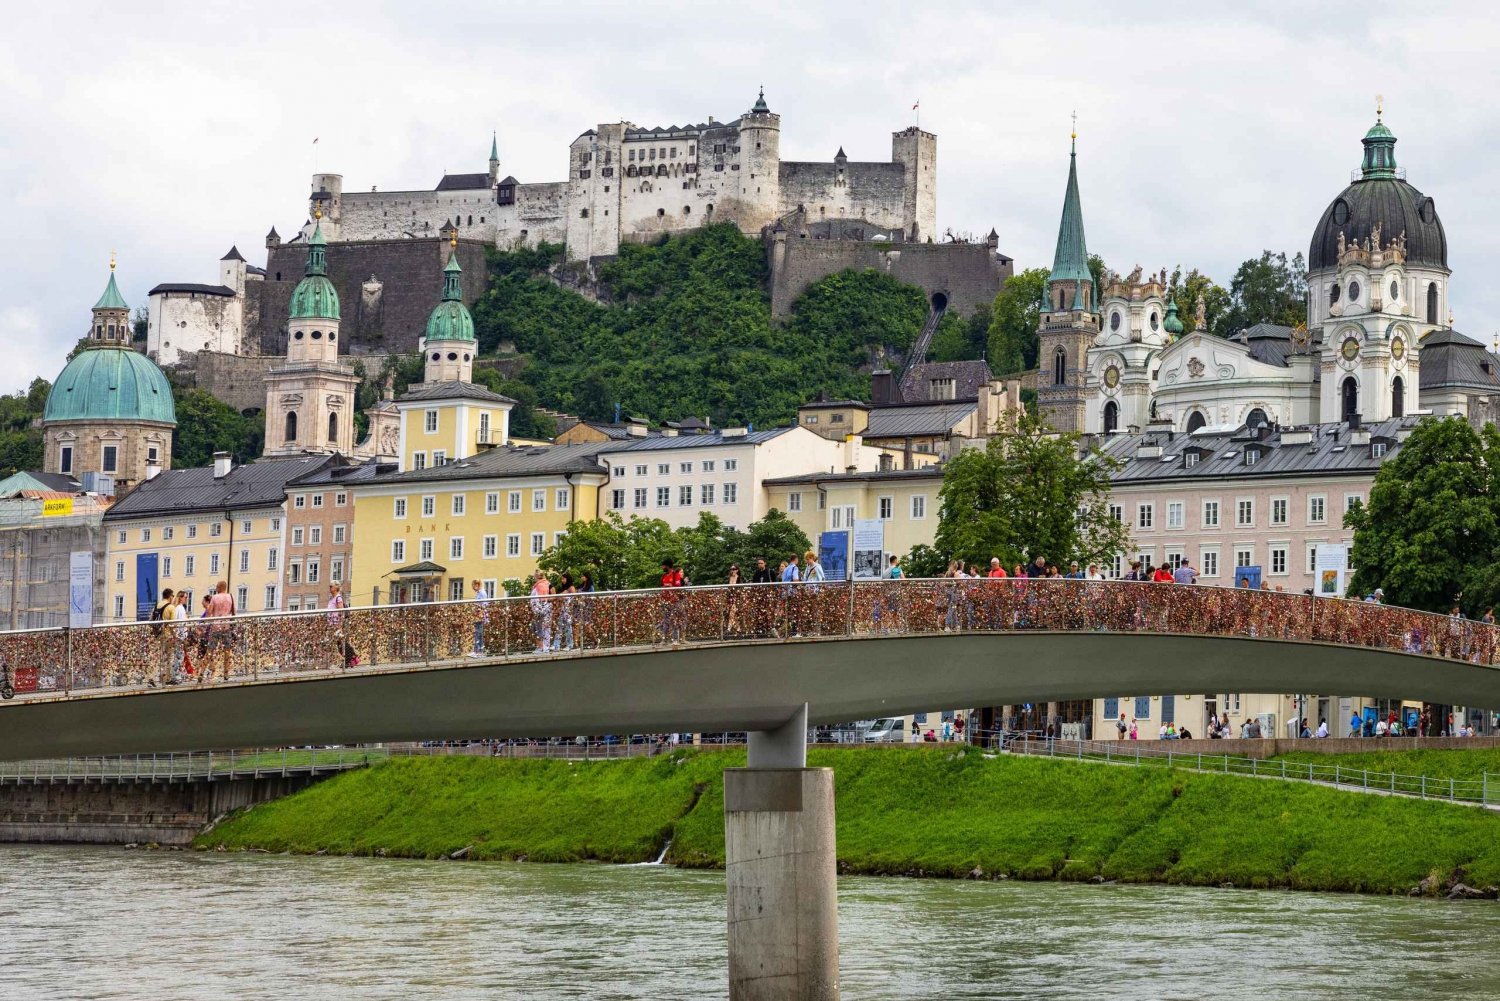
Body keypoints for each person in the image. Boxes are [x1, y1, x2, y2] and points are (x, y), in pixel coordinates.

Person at [202, 581, 236, 684]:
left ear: (220, 587)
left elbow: (209, 612)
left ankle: (201, 673)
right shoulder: (230, 597)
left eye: (217, 586)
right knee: (227, 651)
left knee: (210, 650)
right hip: (226, 626)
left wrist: (206, 607)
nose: (216, 587)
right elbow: (233, 611)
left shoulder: (215, 598)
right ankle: (226, 674)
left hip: (216, 627)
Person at [328, 583, 358, 669]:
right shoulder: (332, 599)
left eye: (331, 586)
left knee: (341, 642)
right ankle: (350, 659)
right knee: (339, 643)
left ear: (336, 587)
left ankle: (350, 659)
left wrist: (339, 625)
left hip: (337, 623)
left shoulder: (338, 598)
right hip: (332, 623)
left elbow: (341, 611)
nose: (330, 588)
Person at [659, 558, 686, 644]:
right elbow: (661, 587)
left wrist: (669, 586)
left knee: (674, 620)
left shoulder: (675, 575)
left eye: (663, 566)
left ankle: (675, 639)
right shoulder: (663, 576)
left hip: (675, 601)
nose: (662, 567)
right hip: (665, 602)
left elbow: (677, 587)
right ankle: (664, 639)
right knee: (665, 621)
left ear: (667, 566)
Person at [529, 572, 553, 652]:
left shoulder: (540, 585)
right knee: (540, 627)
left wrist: (538, 609)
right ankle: (542, 647)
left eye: (534, 577)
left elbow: (542, 598)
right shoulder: (544, 584)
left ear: (537, 577)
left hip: (541, 609)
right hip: (540, 609)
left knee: (539, 628)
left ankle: (543, 647)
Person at [467, 579, 490, 658]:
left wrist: (477, 608)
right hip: (478, 615)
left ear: (477, 585)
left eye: (473, 586)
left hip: (480, 616)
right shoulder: (479, 593)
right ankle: (477, 651)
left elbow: (484, 604)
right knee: (478, 633)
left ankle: (478, 651)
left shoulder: (482, 593)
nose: (473, 588)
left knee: (479, 633)